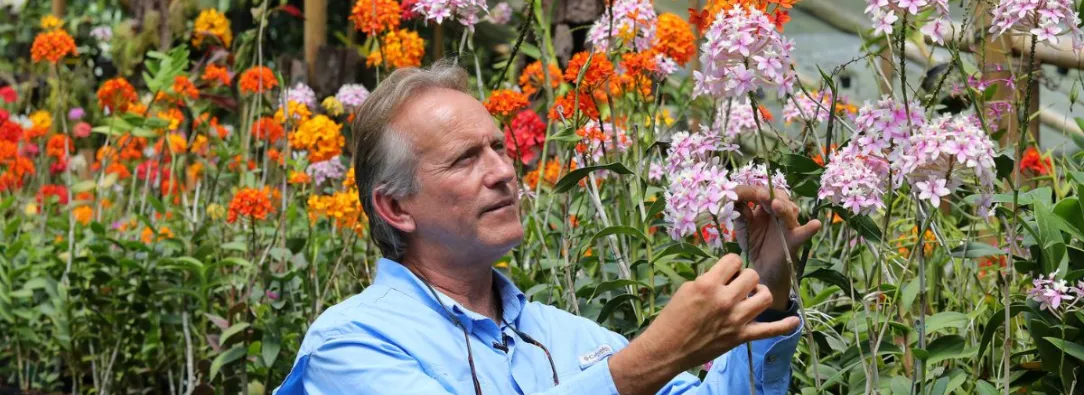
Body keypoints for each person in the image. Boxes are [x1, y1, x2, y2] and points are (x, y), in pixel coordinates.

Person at [274, 61, 822, 395]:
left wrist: (767, 290)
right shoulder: (350, 345)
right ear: (395, 208)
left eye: (498, 146)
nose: (504, 171)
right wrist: (653, 357)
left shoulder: (573, 336)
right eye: (465, 158)